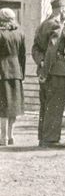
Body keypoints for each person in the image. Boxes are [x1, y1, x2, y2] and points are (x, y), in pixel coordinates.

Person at [32, 0, 65, 147]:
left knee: (45, 105)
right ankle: (51, 139)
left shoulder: (43, 24)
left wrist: (40, 63)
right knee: (55, 105)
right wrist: (45, 72)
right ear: (62, 9)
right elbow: (52, 51)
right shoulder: (57, 26)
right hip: (56, 71)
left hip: (44, 68)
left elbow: (35, 48)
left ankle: (43, 137)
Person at [0, 8, 25, 146]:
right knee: (13, 105)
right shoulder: (20, 32)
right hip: (16, 71)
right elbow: (22, 55)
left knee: (3, 105)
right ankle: (11, 136)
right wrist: (22, 73)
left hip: (2, 72)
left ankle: (2, 137)